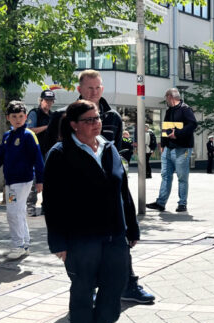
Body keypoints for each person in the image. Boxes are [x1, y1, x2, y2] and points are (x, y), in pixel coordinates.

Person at [43, 100, 139, 323]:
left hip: (115, 234)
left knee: (115, 285)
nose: (97, 122)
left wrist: (132, 227)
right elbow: (52, 202)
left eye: (97, 118)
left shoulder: (109, 148)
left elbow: (123, 192)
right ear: (74, 124)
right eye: (89, 119)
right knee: (83, 290)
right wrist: (58, 242)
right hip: (80, 238)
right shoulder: (60, 153)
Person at [48, 70, 154, 304]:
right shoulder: (63, 117)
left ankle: (128, 284)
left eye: (98, 88)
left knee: (119, 241)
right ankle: (88, 293)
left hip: (110, 194)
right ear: (79, 90)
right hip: (79, 199)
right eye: (89, 88)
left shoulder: (113, 117)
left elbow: (114, 153)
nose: (94, 92)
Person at [0, 100, 45, 260]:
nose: (17, 119)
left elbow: (38, 158)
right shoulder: (8, 136)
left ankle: (18, 245)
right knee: (19, 212)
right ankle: (25, 244)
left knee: (13, 213)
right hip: (11, 181)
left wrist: (40, 180)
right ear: (8, 117)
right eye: (14, 116)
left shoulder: (29, 135)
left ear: (26, 117)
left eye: (21, 116)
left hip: (22, 181)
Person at [147, 88, 197, 213]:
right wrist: (163, 144)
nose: (166, 101)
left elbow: (193, 124)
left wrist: (178, 133)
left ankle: (182, 204)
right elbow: (165, 127)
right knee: (165, 176)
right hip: (168, 149)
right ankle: (160, 203)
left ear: (170, 96)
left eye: (166, 98)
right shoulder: (169, 111)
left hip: (182, 149)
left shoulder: (185, 109)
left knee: (182, 177)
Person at [25, 90, 56, 216]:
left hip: (49, 151)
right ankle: (31, 207)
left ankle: (46, 206)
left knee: (49, 180)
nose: (48, 103)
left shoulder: (53, 116)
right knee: (34, 180)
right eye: (46, 100)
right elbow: (30, 130)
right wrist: (47, 127)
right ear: (41, 100)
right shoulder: (34, 113)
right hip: (35, 151)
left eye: (50, 101)